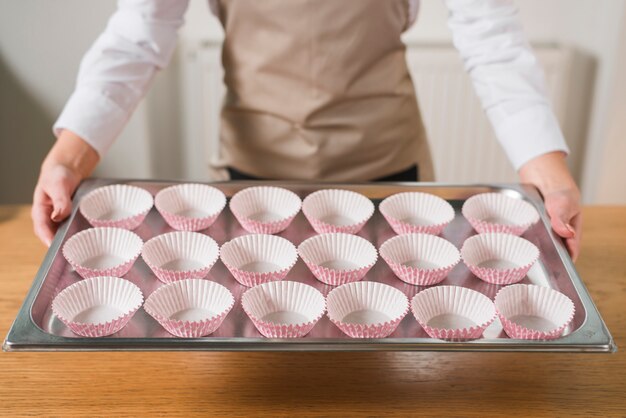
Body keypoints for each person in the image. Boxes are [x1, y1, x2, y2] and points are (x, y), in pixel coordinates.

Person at [32, 0, 581, 260]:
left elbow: (491, 37)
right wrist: (69, 157)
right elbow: (138, 35)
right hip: (248, 180)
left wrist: (548, 173)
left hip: (391, 172)